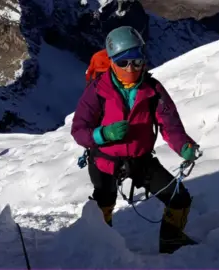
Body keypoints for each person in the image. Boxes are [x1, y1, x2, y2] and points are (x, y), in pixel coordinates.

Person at [70, 26, 201, 254]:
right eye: (123, 63)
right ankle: (102, 249)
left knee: (178, 198)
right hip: (105, 159)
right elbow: (79, 130)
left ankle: (171, 239)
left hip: (141, 159)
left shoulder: (153, 89)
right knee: (104, 205)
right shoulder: (97, 91)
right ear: (112, 62)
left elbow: (170, 125)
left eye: (136, 61)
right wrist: (104, 134)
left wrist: (184, 146)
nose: (131, 68)